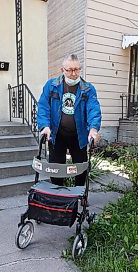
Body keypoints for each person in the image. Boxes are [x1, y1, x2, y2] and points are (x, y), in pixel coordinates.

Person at [37, 54, 101, 186]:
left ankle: (80, 195)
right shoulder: (52, 85)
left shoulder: (88, 89)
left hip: (79, 135)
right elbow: (43, 107)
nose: (74, 73)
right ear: (62, 70)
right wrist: (45, 126)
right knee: (55, 167)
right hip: (57, 134)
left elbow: (93, 109)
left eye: (77, 69)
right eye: (70, 70)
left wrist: (93, 129)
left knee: (81, 166)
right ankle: (58, 194)